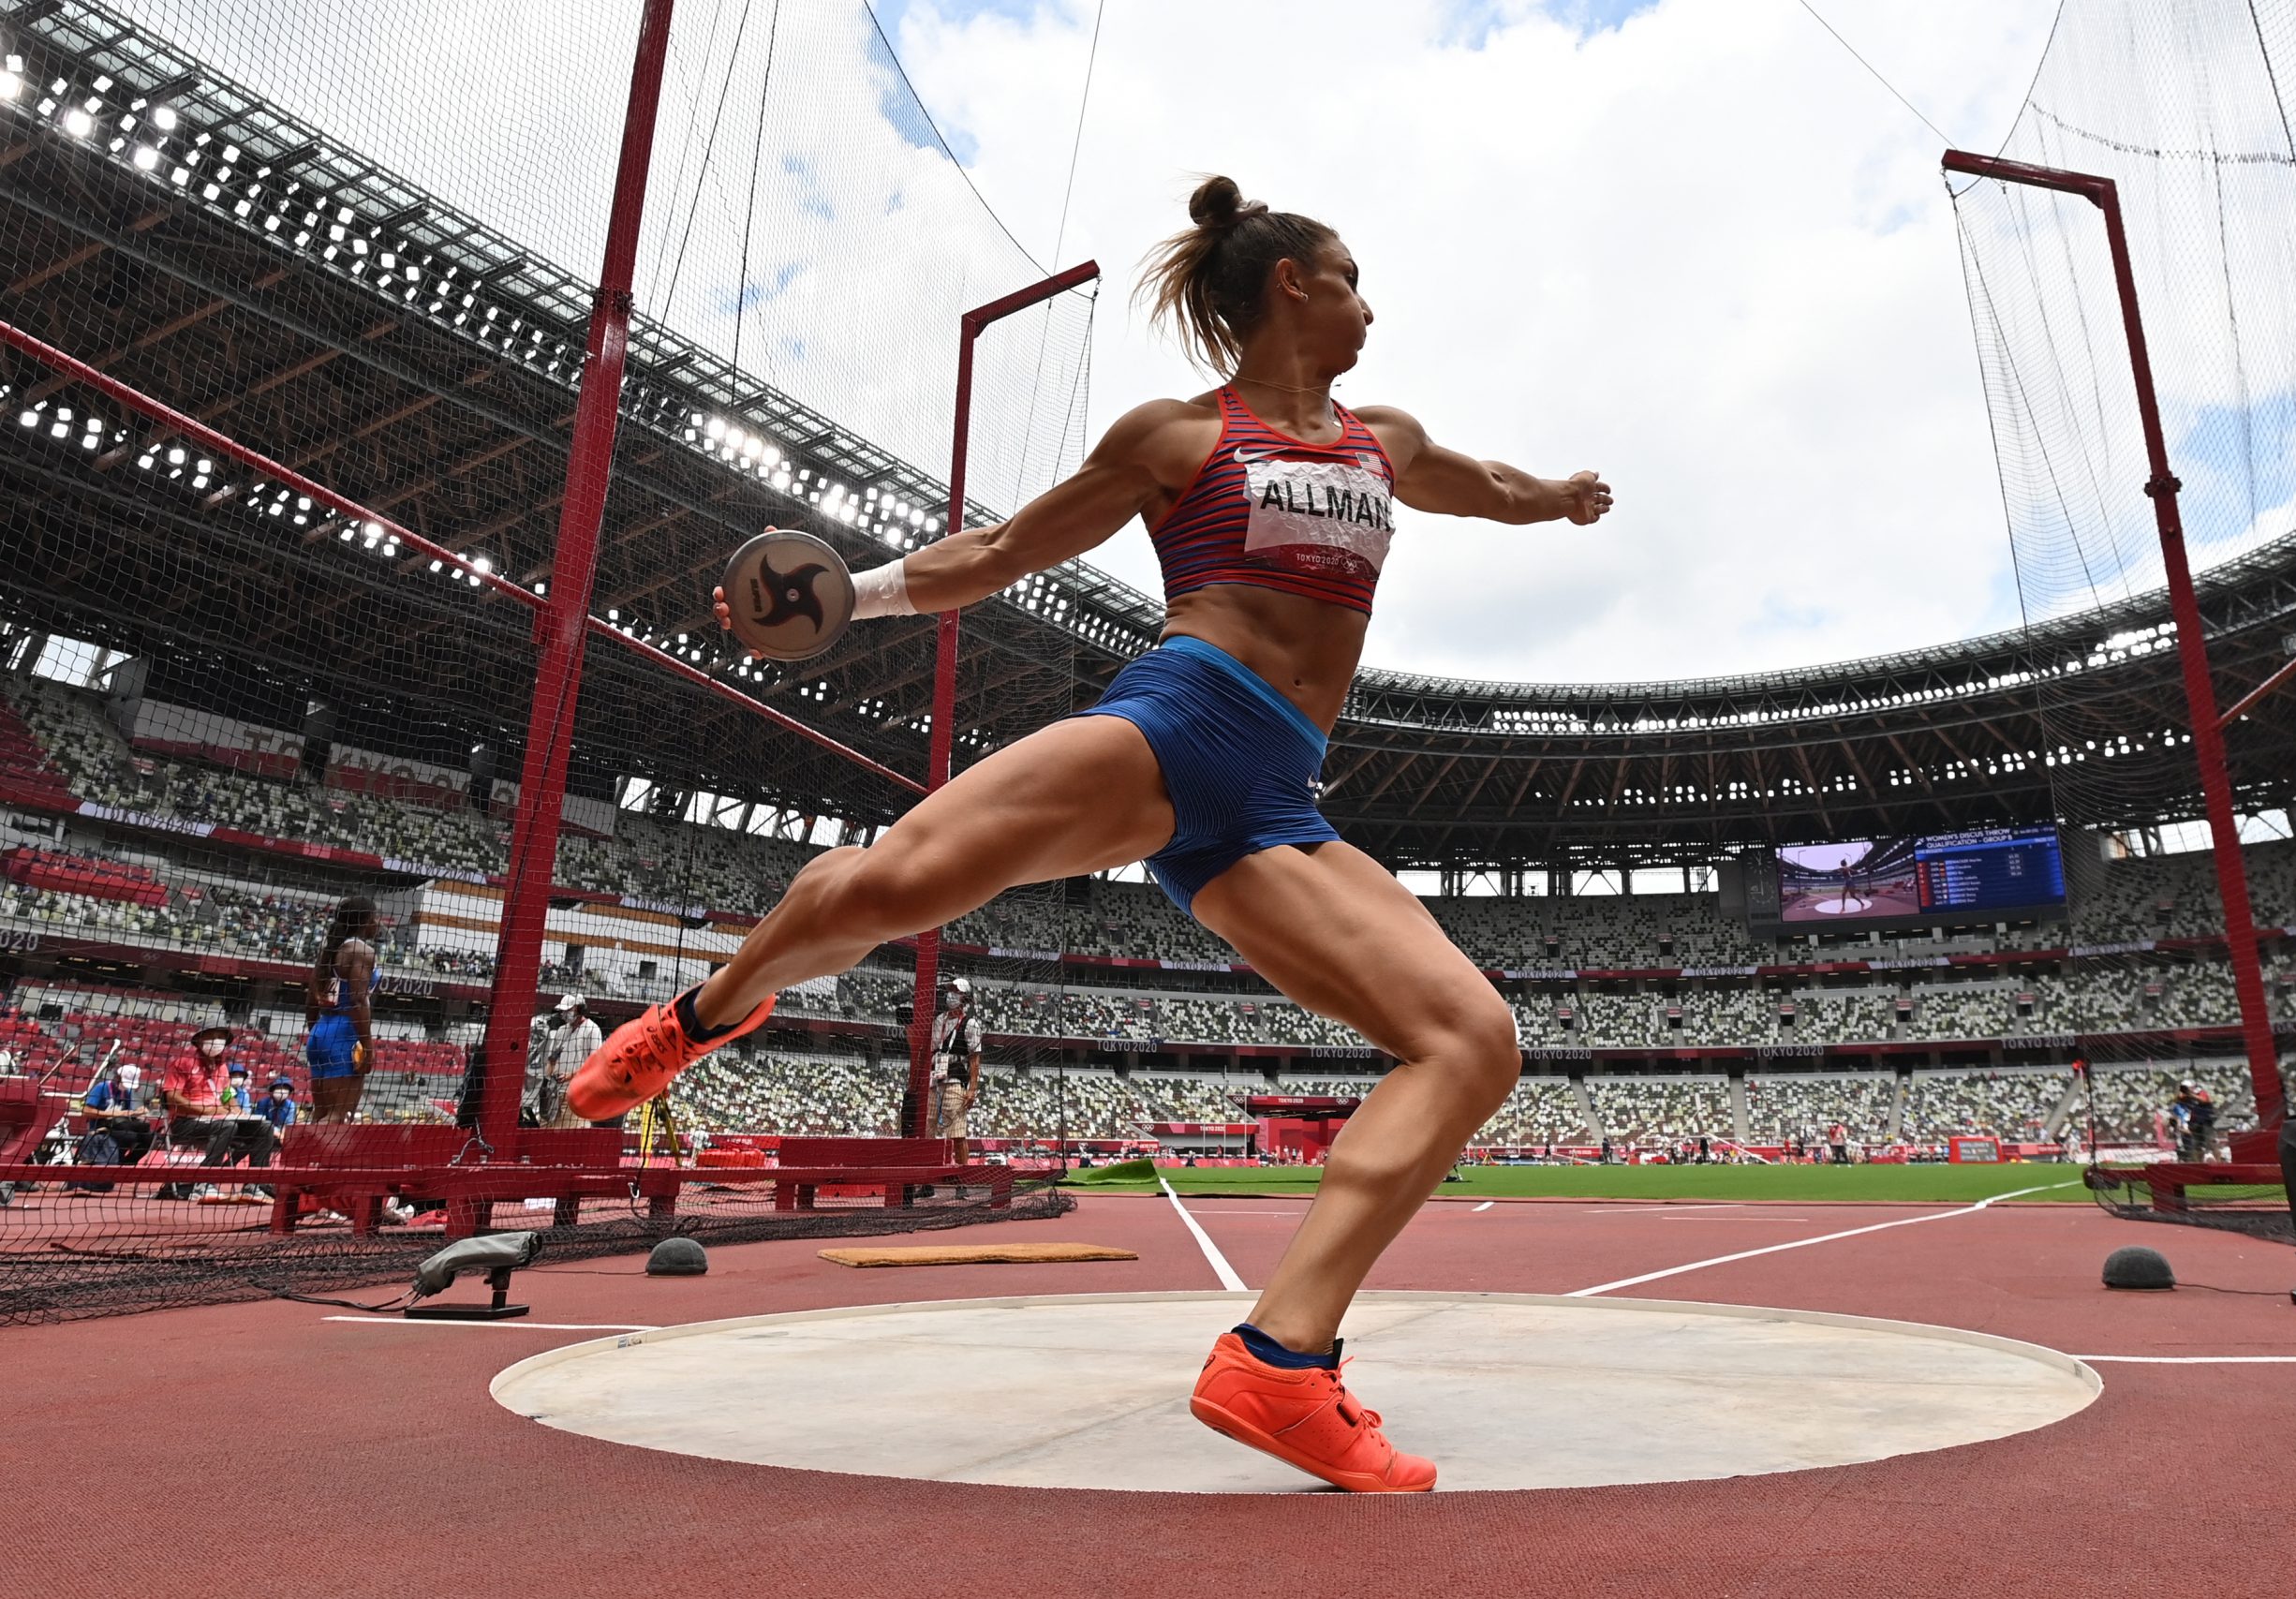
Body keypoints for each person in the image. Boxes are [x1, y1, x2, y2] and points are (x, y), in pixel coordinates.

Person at [570, 174, 1609, 1493]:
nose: (1368, 304)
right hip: (1177, 720)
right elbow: (1005, 547)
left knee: (1473, 1039)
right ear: (1289, 284)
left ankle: (1281, 1361)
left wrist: (1564, 495)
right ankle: (706, 1013)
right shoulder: (1179, 436)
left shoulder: (1382, 438)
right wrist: (856, 595)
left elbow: (1490, 485)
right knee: (893, 886)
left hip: (1279, 801)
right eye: (1349, 278)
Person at [159, 1025, 274, 1201]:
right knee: (226, 1126)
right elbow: (172, 1098)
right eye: (212, 1037)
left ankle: (255, 1184)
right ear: (199, 1041)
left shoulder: (222, 1068)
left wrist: (239, 1111)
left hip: (219, 1120)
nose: (216, 1041)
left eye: (220, 1038)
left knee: (264, 1128)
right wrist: (206, 1110)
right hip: (185, 1123)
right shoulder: (183, 1063)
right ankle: (204, 1183)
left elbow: (227, 1095)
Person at [304, 896, 379, 1124]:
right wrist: (368, 1046)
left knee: (320, 1114)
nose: (378, 923)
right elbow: (358, 1001)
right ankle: (324, 1161)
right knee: (339, 1116)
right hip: (345, 1033)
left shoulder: (331, 950)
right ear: (366, 921)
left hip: (320, 1031)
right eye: (375, 917)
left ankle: (306, 1161)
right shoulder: (362, 951)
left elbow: (311, 999)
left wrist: (317, 1032)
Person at [931, 977, 984, 1166]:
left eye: (956, 991)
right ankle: (927, 1181)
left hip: (955, 1080)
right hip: (934, 1078)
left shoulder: (971, 1024)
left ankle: (962, 1181)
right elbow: (932, 1048)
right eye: (950, 990)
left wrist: (972, 1089)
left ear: (965, 998)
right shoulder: (939, 1020)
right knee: (928, 1131)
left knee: (957, 1133)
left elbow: (975, 1059)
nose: (951, 994)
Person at [541, 995, 602, 1130]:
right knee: (545, 1132)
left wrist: (570, 1075)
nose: (564, 1014)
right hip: (554, 1094)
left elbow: (595, 1066)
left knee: (568, 1135)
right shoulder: (562, 1031)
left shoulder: (593, 1030)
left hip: (577, 1095)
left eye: (568, 1010)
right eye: (563, 1011)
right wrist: (548, 1077)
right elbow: (552, 1059)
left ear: (579, 1009)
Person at [80, 1061, 156, 1166]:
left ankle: (127, 1163)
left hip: (119, 1127)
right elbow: (86, 1111)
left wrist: (136, 1113)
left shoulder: (126, 1092)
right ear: (117, 1078)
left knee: (149, 1136)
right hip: (101, 1128)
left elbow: (126, 1115)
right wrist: (113, 1113)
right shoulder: (101, 1087)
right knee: (129, 1136)